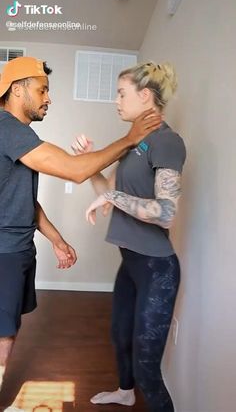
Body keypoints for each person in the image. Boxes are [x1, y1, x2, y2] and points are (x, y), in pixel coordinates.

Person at [0, 56, 162, 412]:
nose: (48, 98)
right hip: (4, 253)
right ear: (17, 89)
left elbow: (24, 201)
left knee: (8, 328)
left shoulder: (17, 134)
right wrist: (129, 138)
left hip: (17, 249)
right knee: (3, 335)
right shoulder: (8, 129)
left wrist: (56, 240)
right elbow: (74, 171)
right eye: (42, 90)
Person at [72, 61, 186, 412]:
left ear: (145, 96)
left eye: (122, 93)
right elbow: (108, 192)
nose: (117, 101)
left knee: (147, 369)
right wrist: (90, 163)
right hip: (131, 262)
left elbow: (166, 213)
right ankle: (124, 392)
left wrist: (111, 196)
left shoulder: (167, 142)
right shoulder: (134, 145)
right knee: (120, 337)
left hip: (157, 268)